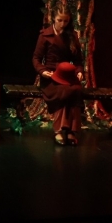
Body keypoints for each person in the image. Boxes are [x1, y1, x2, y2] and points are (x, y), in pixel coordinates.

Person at [32, 9, 85, 145]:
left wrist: (79, 71)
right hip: (50, 76)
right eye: (59, 20)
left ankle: (72, 130)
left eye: (65, 21)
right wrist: (42, 71)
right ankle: (59, 130)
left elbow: (78, 60)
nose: (62, 24)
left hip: (67, 75)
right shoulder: (45, 35)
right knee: (63, 91)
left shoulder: (72, 36)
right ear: (54, 19)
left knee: (76, 90)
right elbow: (36, 58)